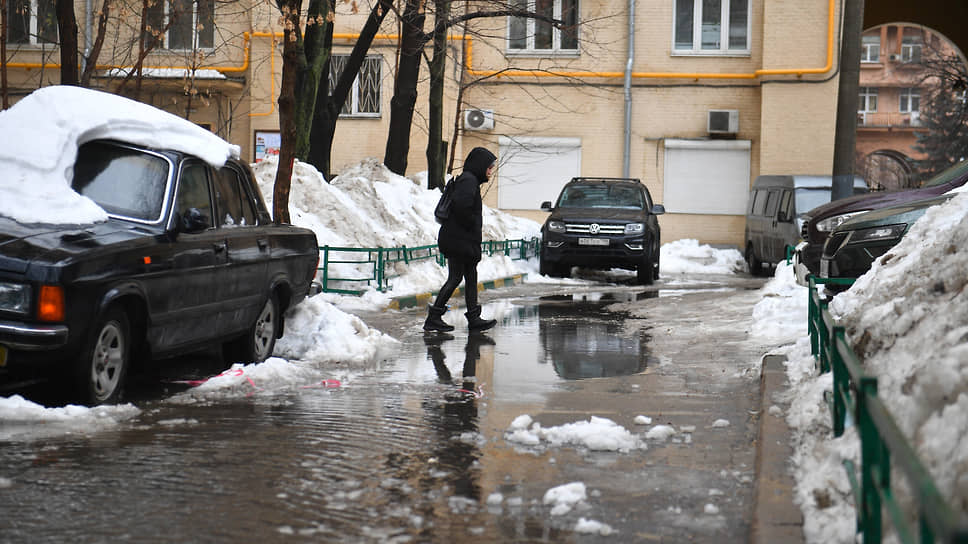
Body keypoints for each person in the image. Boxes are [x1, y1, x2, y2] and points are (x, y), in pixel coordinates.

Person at [424, 147, 498, 332]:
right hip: (458, 241)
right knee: (456, 278)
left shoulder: (470, 181)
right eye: (489, 168)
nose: (490, 171)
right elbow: (462, 208)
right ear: (480, 166)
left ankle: (474, 318)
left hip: (462, 240)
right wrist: (473, 225)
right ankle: (434, 317)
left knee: (471, 278)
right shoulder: (468, 181)